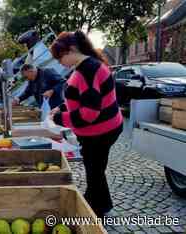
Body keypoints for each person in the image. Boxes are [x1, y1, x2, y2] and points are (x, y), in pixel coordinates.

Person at [49, 30, 123, 218]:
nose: (59, 63)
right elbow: (82, 98)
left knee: (94, 170)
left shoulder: (88, 70)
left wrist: (59, 119)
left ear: (71, 50)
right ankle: (100, 203)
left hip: (100, 132)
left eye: (60, 58)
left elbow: (88, 114)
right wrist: (61, 107)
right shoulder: (87, 66)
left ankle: (95, 211)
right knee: (96, 169)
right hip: (105, 128)